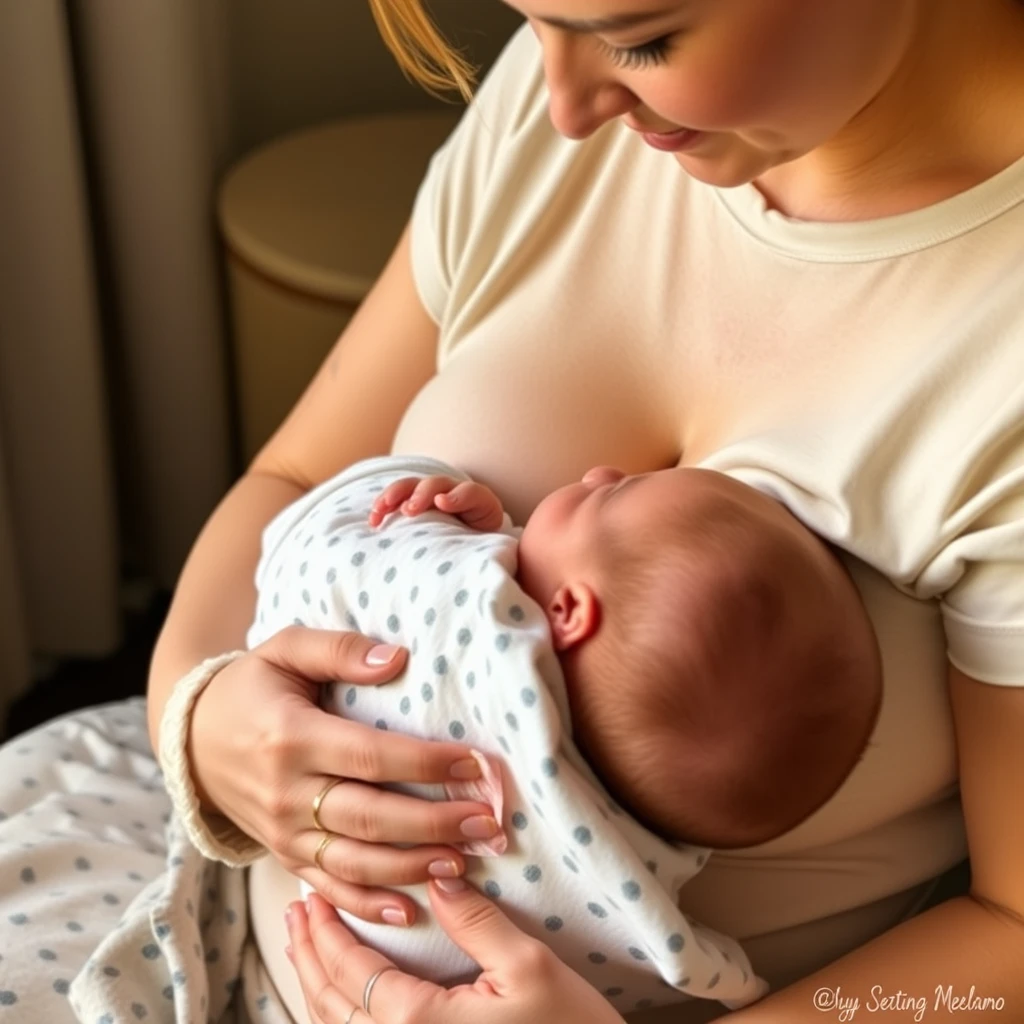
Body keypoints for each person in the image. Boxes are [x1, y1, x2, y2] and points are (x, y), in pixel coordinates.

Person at [1, 0, 1022, 1021]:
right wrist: (200, 721)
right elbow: (298, 473)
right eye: (532, 20)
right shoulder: (557, 118)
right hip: (204, 897)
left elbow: (1013, 928)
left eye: (640, 39)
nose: (562, 107)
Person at [236, 453, 880, 1014]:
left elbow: (310, 551)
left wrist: (440, 527)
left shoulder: (463, 621)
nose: (600, 470)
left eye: (612, 494)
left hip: (255, 932)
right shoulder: (628, 899)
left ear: (567, 611)